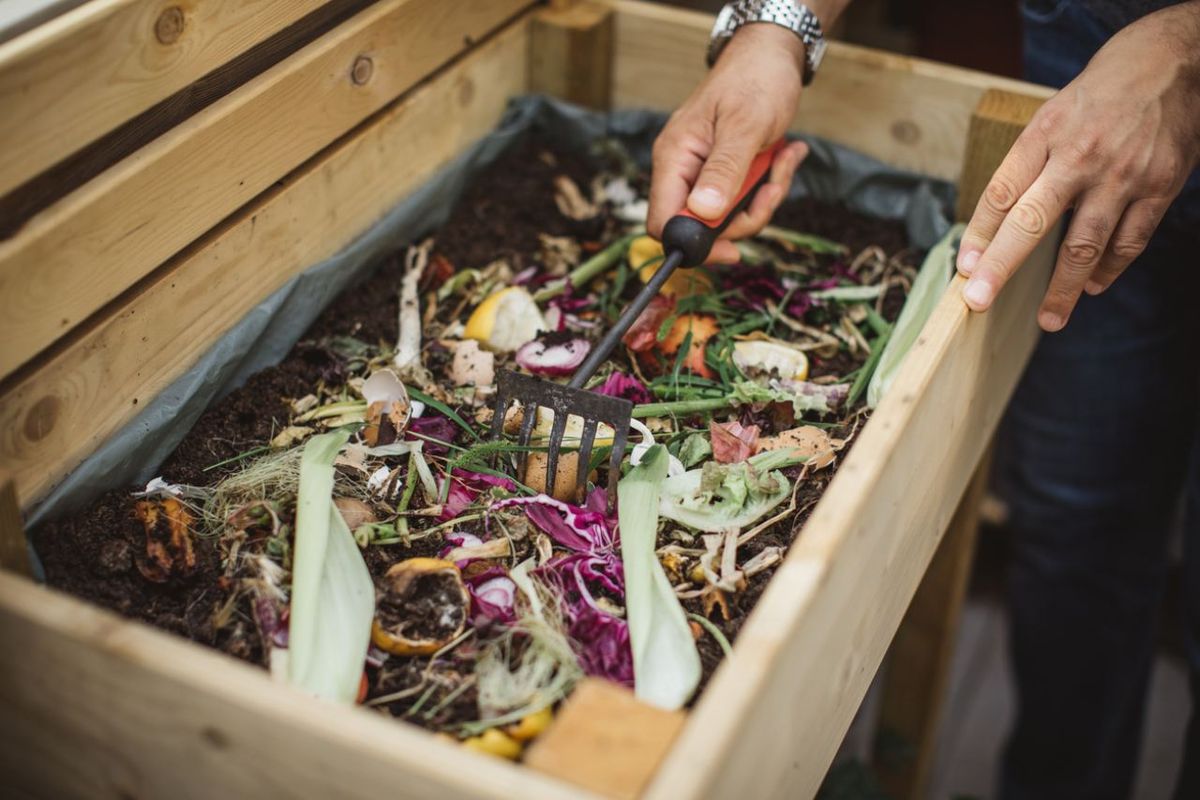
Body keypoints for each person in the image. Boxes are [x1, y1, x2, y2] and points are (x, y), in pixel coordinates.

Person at [648, 1, 1200, 797]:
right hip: (1093, 74)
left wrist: (1185, 52)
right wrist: (781, 25)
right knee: (1078, 522)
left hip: (1156, 65)